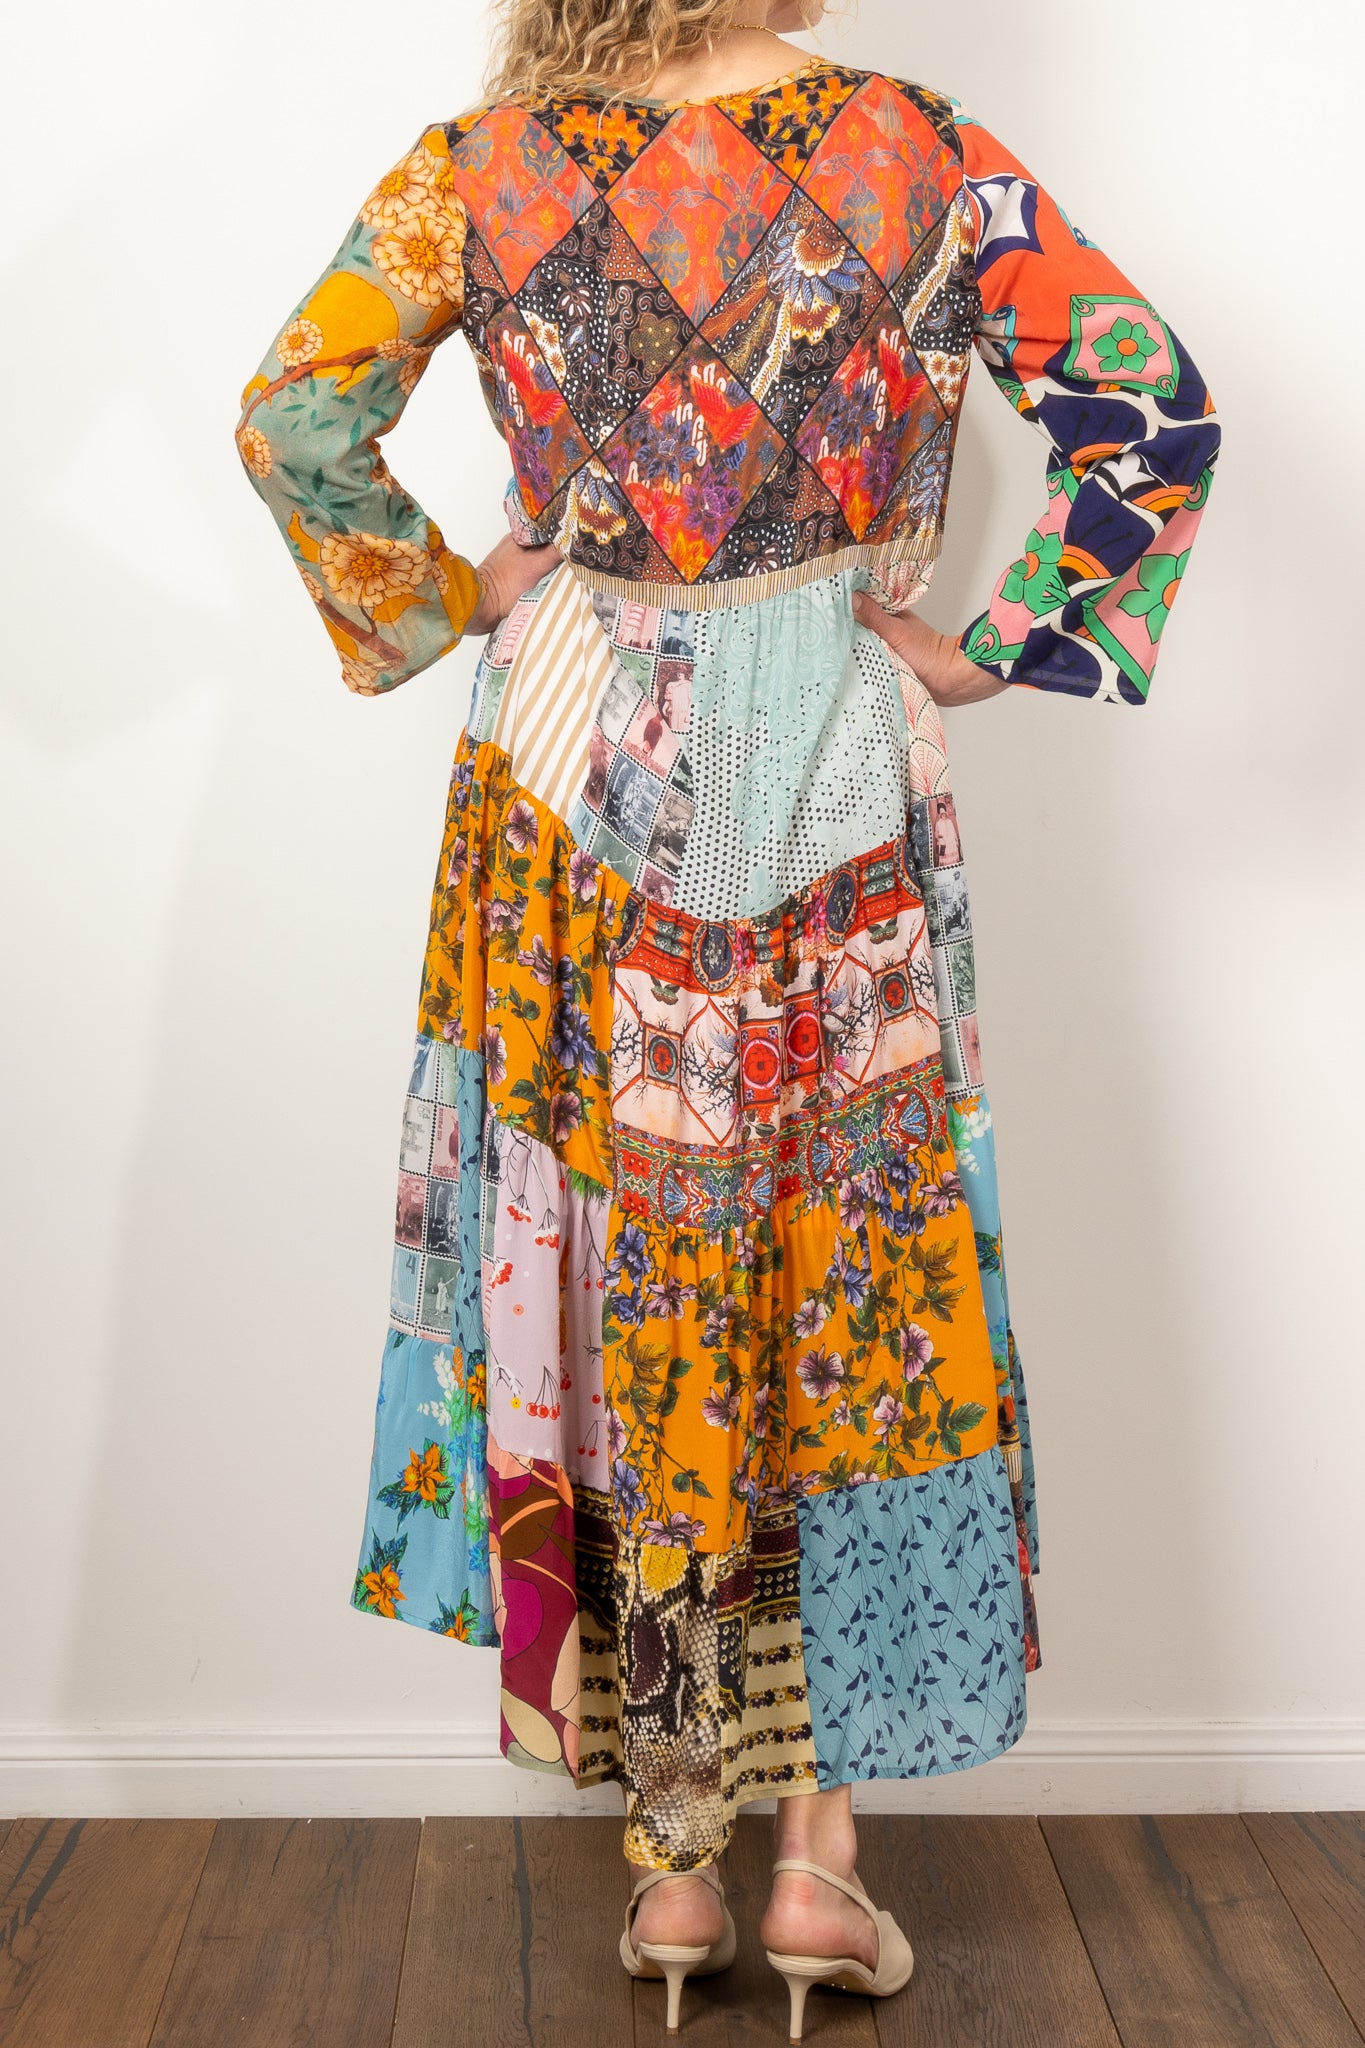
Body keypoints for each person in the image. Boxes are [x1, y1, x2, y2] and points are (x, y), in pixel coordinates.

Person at [235, 0, 1219, 2033]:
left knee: (617, 1258)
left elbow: (294, 416)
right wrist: (995, 643)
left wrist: (454, 591)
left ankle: (672, 1856)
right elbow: (1150, 405)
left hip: (568, 767)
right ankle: (816, 1868)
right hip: (836, 754)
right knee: (842, 1266)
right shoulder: (918, 147)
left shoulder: (475, 171)